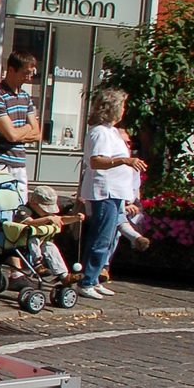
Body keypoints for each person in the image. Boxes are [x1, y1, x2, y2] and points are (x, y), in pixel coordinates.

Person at [76, 88, 144, 299]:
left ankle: (93, 278)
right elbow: (96, 161)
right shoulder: (100, 132)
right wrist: (125, 161)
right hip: (104, 192)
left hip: (115, 193)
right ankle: (86, 280)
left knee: (109, 236)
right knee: (101, 237)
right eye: (121, 106)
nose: (123, 110)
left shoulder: (112, 131)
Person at [0, 51, 43, 200]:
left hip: (19, 163)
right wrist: (28, 128)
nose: (29, 77)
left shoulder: (25, 96)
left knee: (20, 208)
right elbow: (11, 135)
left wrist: (21, 131)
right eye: (25, 73)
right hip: (0, 163)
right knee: (0, 209)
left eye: (31, 73)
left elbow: (38, 134)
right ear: (11, 70)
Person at [10, 185, 81, 280]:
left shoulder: (47, 215)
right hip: (22, 240)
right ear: (33, 203)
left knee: (51, 247)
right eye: (45, 209)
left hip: (42, 241)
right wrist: (48, 218)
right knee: (33, 239)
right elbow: (31, 222)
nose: (48, 213)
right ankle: (37, 264)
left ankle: (64, 275)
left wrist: (75, 218)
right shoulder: (23, 211)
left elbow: (61, 220)